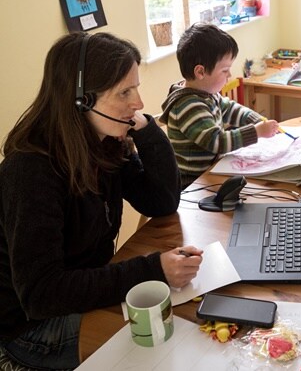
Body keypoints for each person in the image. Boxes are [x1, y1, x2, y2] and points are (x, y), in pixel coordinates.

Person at [0, 32, 202, 370]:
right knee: (165, 334)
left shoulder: (103, 142)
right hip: (30, 326)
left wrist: (148, 130)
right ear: (81, 101)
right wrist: (152, 270)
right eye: (124, 92)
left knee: (179, 316)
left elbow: (162, 201)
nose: (138, 102)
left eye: (135, 88)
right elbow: (41, 294)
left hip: (82, 292)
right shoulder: (31, 170)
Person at [160, 24, 279, 187]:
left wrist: (257, 120)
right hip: (193, 184)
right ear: (200, 72)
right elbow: (217, 142)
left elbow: (230, 108)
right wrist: (256, 131)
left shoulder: (206, 93)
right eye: (225, 70)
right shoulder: (188, 106)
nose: (229, 75)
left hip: (212, 172)